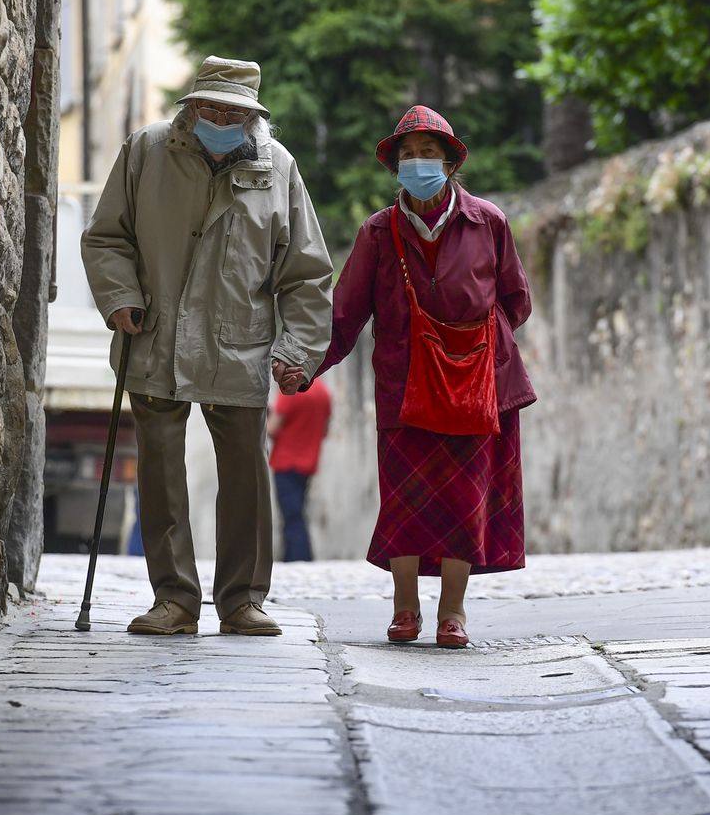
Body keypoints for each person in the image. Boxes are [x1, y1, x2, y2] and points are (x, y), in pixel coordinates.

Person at [81, 55, 333, 636]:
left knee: (245, 474)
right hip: (154, 336)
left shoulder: (278, 167)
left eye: (234, 110)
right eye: (211, 106)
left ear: (252, 118)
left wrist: (298, 349)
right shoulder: (146, 151)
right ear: (191, 107)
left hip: (238, 344)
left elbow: (305, 272)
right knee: (162, 471)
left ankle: (242, 600)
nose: (221, 116)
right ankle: (174, 599)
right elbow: (106, 238)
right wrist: (119, 296)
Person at [312, 105, 536, 649]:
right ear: (395, 167)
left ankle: (453, 613)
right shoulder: (377, 232)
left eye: (428, 155)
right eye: (408, 156)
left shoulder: (489, 222)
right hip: (403, 383)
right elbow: (346, 312)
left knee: (466, 498)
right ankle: (405, 607)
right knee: (404, 497)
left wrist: (471, 349)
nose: (418, 164)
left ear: (450, 164)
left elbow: (516, 300)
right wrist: (306, 363)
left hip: (478, 388)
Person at [267, 379, 332, 562]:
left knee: (291, 516)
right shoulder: (323, 391)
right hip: (309, 462)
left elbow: (272, 428)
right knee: (297, 512)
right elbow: (325, 429)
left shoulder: (291, 391)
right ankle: (295, 557)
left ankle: (298, 559)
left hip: (286, 461)